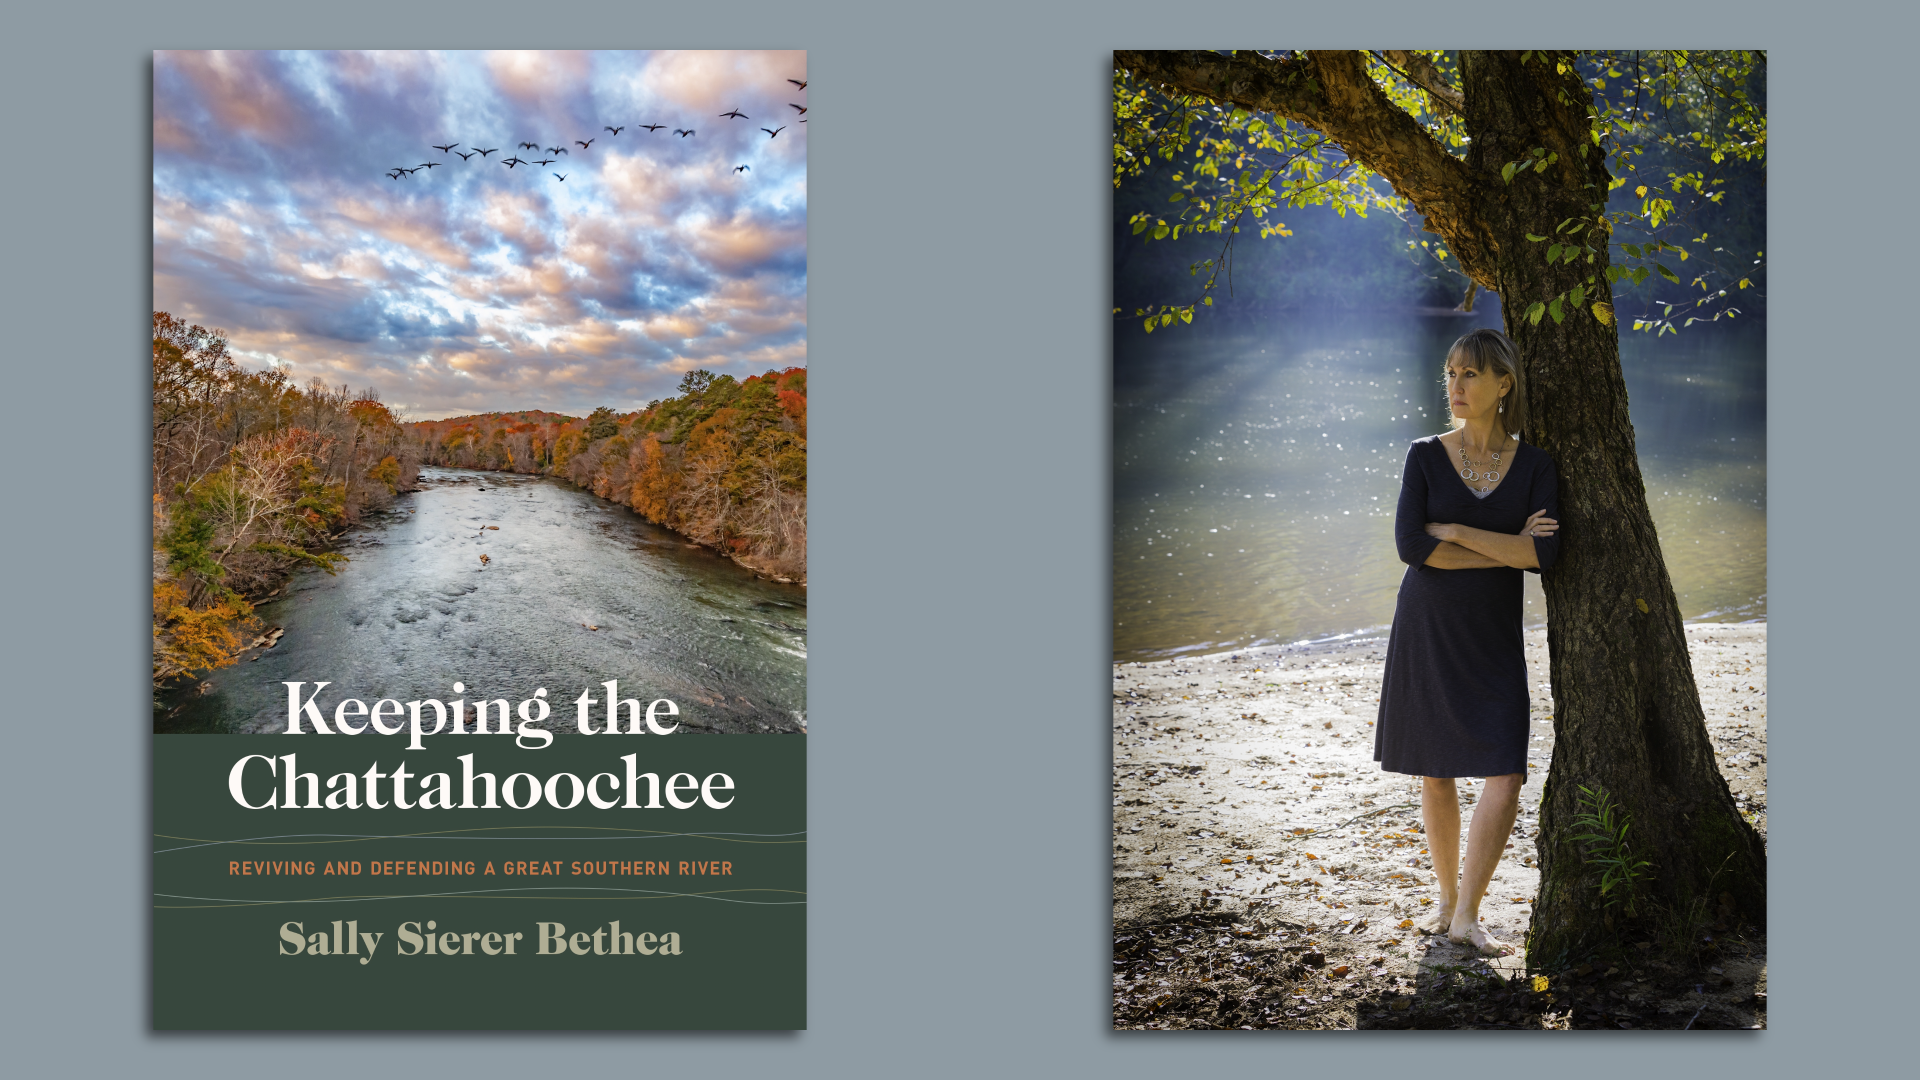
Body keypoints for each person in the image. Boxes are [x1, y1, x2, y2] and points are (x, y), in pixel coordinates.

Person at [1373, 327, 1561, 956]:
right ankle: (1447, 900)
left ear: (1503, 384)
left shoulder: (1535, 464)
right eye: (1450, 373)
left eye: (1471, 375)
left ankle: (1469, 913)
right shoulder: (1425, 454)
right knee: (1437, 771)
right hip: (1429, 624)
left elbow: (1545, 552)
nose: (1456, 386)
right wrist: (1506, 550)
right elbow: (1413, 549)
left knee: (1506, 769)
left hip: (1493, 635)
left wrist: (1456, 529)